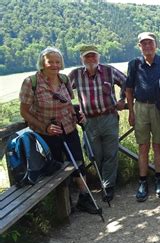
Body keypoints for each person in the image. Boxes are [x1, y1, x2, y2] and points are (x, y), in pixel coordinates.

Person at [19, 47, 99, 214]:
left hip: (69, 127)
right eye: (50, 62)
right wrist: (44, 127)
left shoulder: (64, 79)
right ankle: (64, 205)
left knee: (78, 162)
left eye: (57, 62)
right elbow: (24, 112)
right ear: (42, 63)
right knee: (56, 168)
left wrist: (79, 116)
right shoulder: (31, 82)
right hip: (46, 134)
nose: (54, 65)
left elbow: (69, 103)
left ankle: (84, 197)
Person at [68, 45, 127, 202]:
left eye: (93, 56)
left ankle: (108, 186)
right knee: (95, 154)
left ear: (98, 57)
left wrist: (122, 99)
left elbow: (126, 82)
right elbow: (63, 91)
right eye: (87, 57)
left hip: (109, 117)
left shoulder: (109, 70)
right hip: (89, 121)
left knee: (111, 153)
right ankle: (103, 181)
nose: (91, 59)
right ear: (82, 59)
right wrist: (72, 110)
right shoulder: (75, 74)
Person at [125, 32, 160, 202]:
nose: (147, 47)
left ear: (156, 45)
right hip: (141, 107)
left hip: (159, 108)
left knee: (158, 146)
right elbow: (129, 89)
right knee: (143, 146)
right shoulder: (134, 64)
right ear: (140, 46)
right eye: (144, 44)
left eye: (150, 43)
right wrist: (131, 111)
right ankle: (142, 182)